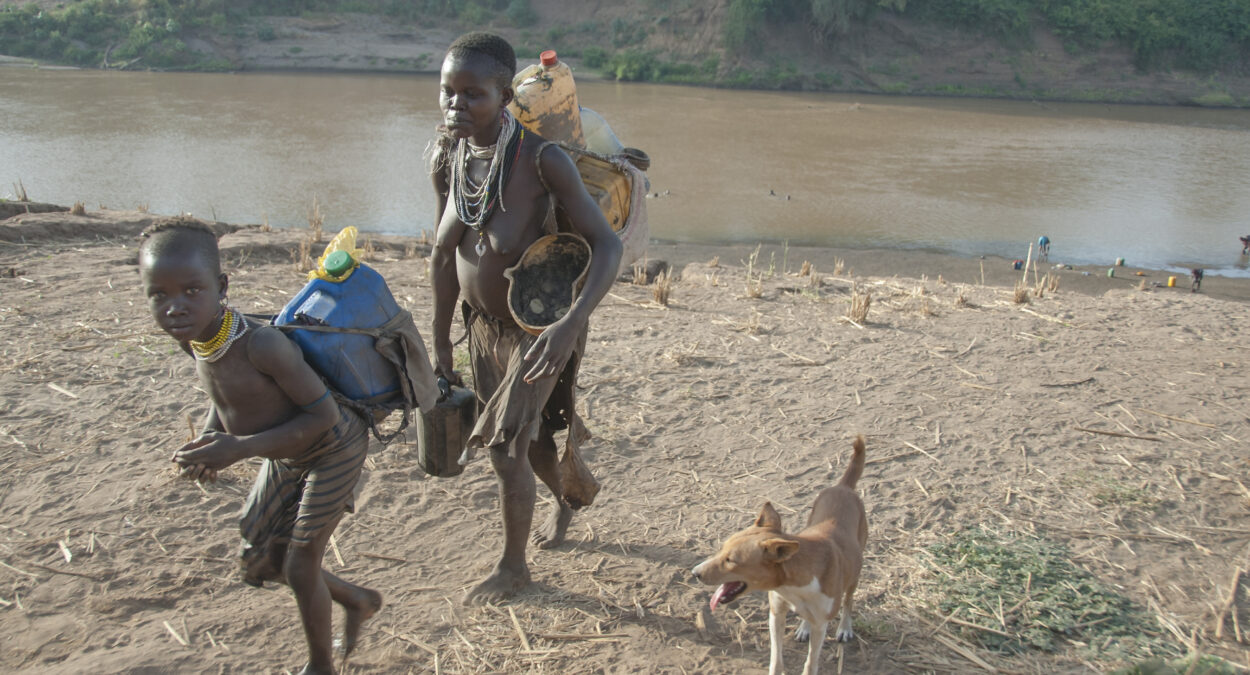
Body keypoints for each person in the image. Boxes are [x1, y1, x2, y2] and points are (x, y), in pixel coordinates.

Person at [428, 32, 623, 604]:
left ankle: (514, 568)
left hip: (542, 328)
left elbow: (606, 247)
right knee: (531, 444)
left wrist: (567, 329)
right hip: (482, 328)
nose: (455, 106)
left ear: (505, 96)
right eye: (446, 93)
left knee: (503, 446)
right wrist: (440, 344)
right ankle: (569, 499)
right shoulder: (448, 157)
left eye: (472, 94)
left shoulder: (543, 161)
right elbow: (442, 255)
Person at [139, 217, 380, 675]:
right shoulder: (194, 339)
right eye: (159, 294)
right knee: (260, 559)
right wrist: (213, 437)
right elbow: (222, 395)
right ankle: (358, 599)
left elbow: (324, 416)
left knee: (299, 564)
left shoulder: (262, 344)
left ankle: (320, 667)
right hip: (282, 449)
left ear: (221, 286)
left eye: (192, 290)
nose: (175, 307)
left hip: (333, 447)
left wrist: (238, 449)